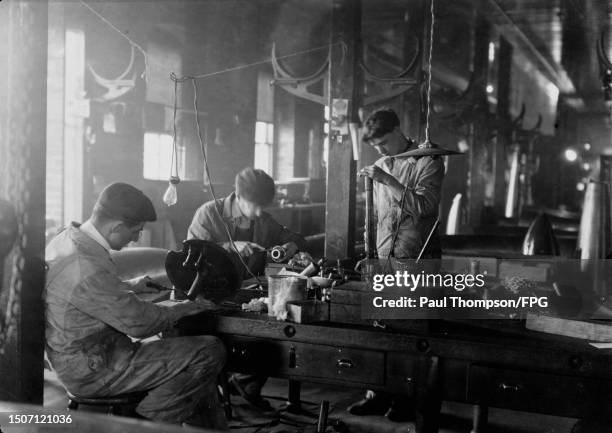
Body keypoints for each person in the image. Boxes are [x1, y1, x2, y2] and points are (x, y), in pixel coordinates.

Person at [45, 182, 228, 429]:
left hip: (85, 353)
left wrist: (131, 285)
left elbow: (84, 293)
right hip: (95, 369)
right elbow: (140, 324)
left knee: (198, 381)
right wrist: (187, 307)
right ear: (117, 226)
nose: (137, 238)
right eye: (136, 232)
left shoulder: (69, 238)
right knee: (209, 350)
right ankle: (142, 423)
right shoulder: (86, 265)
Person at [350, 108, 445, 422]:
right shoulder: (381, 164)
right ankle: (377, 395)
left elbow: (424, 206)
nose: (380, 150)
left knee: (408, 331)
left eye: (384, 142)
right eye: (375, 145)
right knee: (379, 327)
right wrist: (369, 253)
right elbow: (376, 216)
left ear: (399, 130)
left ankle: (406, 401)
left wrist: (387, 179)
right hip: (383, 255)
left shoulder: (427, 160)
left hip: (415, 257)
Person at [188, 167, 308, 411]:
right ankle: (223, 389)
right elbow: (192, 257)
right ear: (238, 196)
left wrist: (290, 247)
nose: (260, 212)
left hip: (245, 294)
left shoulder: (263, 219)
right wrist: (228, 246)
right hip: (208, 294)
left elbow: (296, 237)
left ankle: (244, 386)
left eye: (264, 206)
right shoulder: (209, 214)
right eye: (255, 205)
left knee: (277, 330)